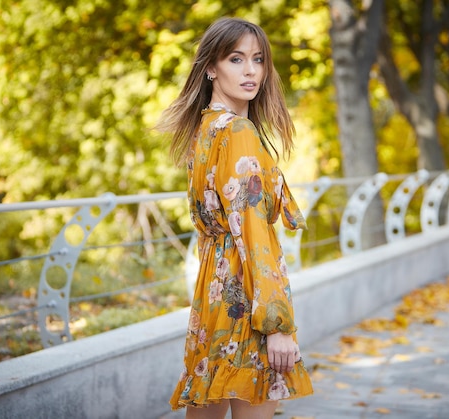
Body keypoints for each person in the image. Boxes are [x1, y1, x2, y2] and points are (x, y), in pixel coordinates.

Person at [157, 17, 313, 419]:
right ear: (211, 67)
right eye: (236, 58)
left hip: (213, 295)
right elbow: (254, 233)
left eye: (258, 60)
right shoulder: (238, 132)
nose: (250, 71)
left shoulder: (204, 130)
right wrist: (277, 325)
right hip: (246, 296)